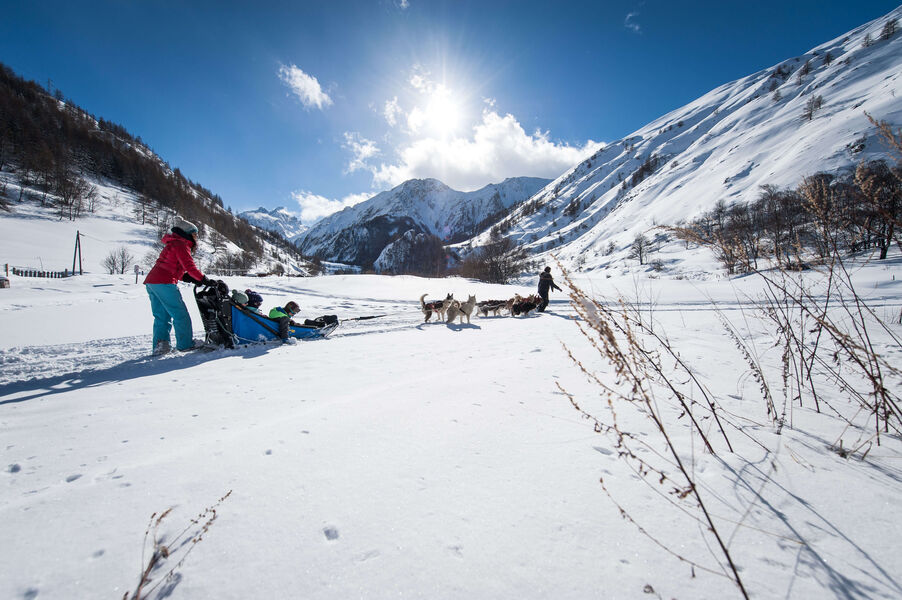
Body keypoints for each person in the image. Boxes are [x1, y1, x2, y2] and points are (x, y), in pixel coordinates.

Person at [144, 219, 217, 353]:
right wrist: (203, 279)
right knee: (180, 315)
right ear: (188, 234)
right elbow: (189, 266)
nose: (196, 237)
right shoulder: (181, 244)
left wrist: (188, 278)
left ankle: (161, 346)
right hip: (164, 282)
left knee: (162, 316)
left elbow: (171, 266)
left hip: (152, 282)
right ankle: (185, 344)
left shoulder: (173, 243)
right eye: (195, 234)